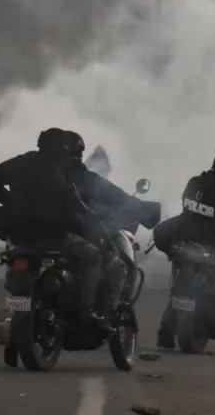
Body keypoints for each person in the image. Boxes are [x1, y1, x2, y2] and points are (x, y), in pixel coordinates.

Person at [0, 128, 105, 323]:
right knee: (92, 257)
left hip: (19, 238)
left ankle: (19, 311)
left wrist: (11, 201)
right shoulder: (54, 173)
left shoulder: (20, 162)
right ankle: (83, 310)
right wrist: (92, 217)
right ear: (62, 150)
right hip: (52, 238)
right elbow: (72, 201)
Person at [153, 147, 215, 349]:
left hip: (183, 238)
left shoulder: (195, 183)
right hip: (210, 243)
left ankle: (166, 331)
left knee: (179, 286)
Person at [61, 131, 161, 319]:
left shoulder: (45, 173)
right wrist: (144, 209)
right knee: (115, 265)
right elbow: (117, 197)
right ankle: (93, 312)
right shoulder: (84, 179)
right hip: (72, 235)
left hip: (44, 235)